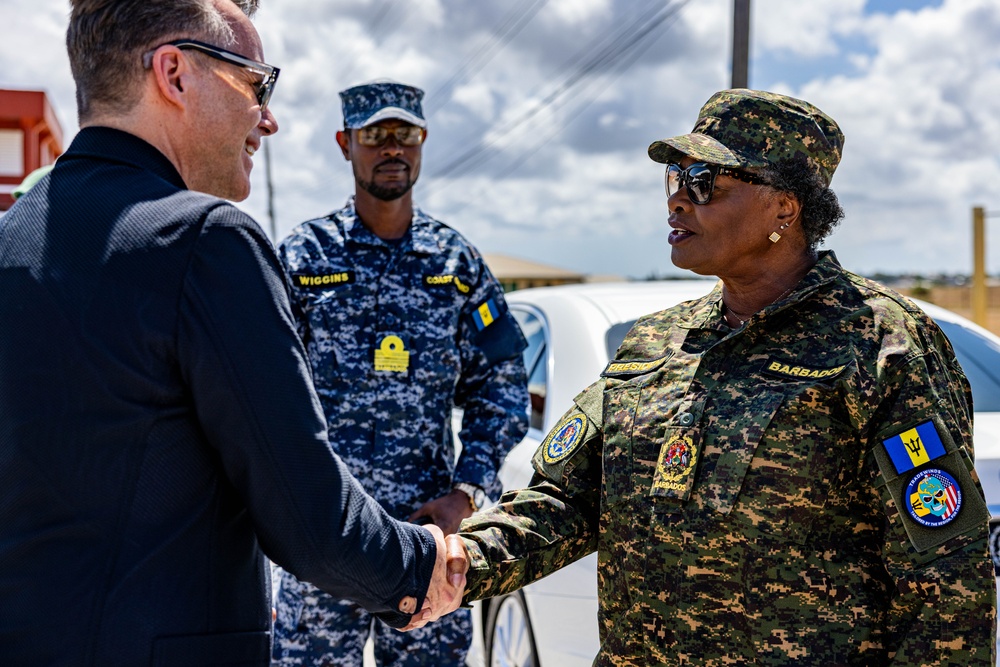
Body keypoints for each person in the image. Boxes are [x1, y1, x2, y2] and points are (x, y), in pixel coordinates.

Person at [451, 89, 998, 665]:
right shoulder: (654, 343)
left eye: (705, 181)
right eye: (674, 177)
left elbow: (943, 579)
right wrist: (446, 565)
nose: (678, 202)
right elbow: (565, 501)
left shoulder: (880, 343)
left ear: (785, 209)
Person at [0, 2, 465, 665]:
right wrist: (424, 566)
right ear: (174, 73)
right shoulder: (205, 240)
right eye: (256, 84)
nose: (268, 119)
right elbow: (309, 518)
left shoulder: (10, 239)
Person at [271, 81, 528, 667]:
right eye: (375, 135)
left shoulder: (454, 264)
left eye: (404, 134)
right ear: (345, 144)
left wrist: (466, 492)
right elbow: (263, 389)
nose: (392, 148)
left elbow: (503, 380)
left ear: (423, 142)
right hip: (324, 538)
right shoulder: (304, 259)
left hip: (424, 543)